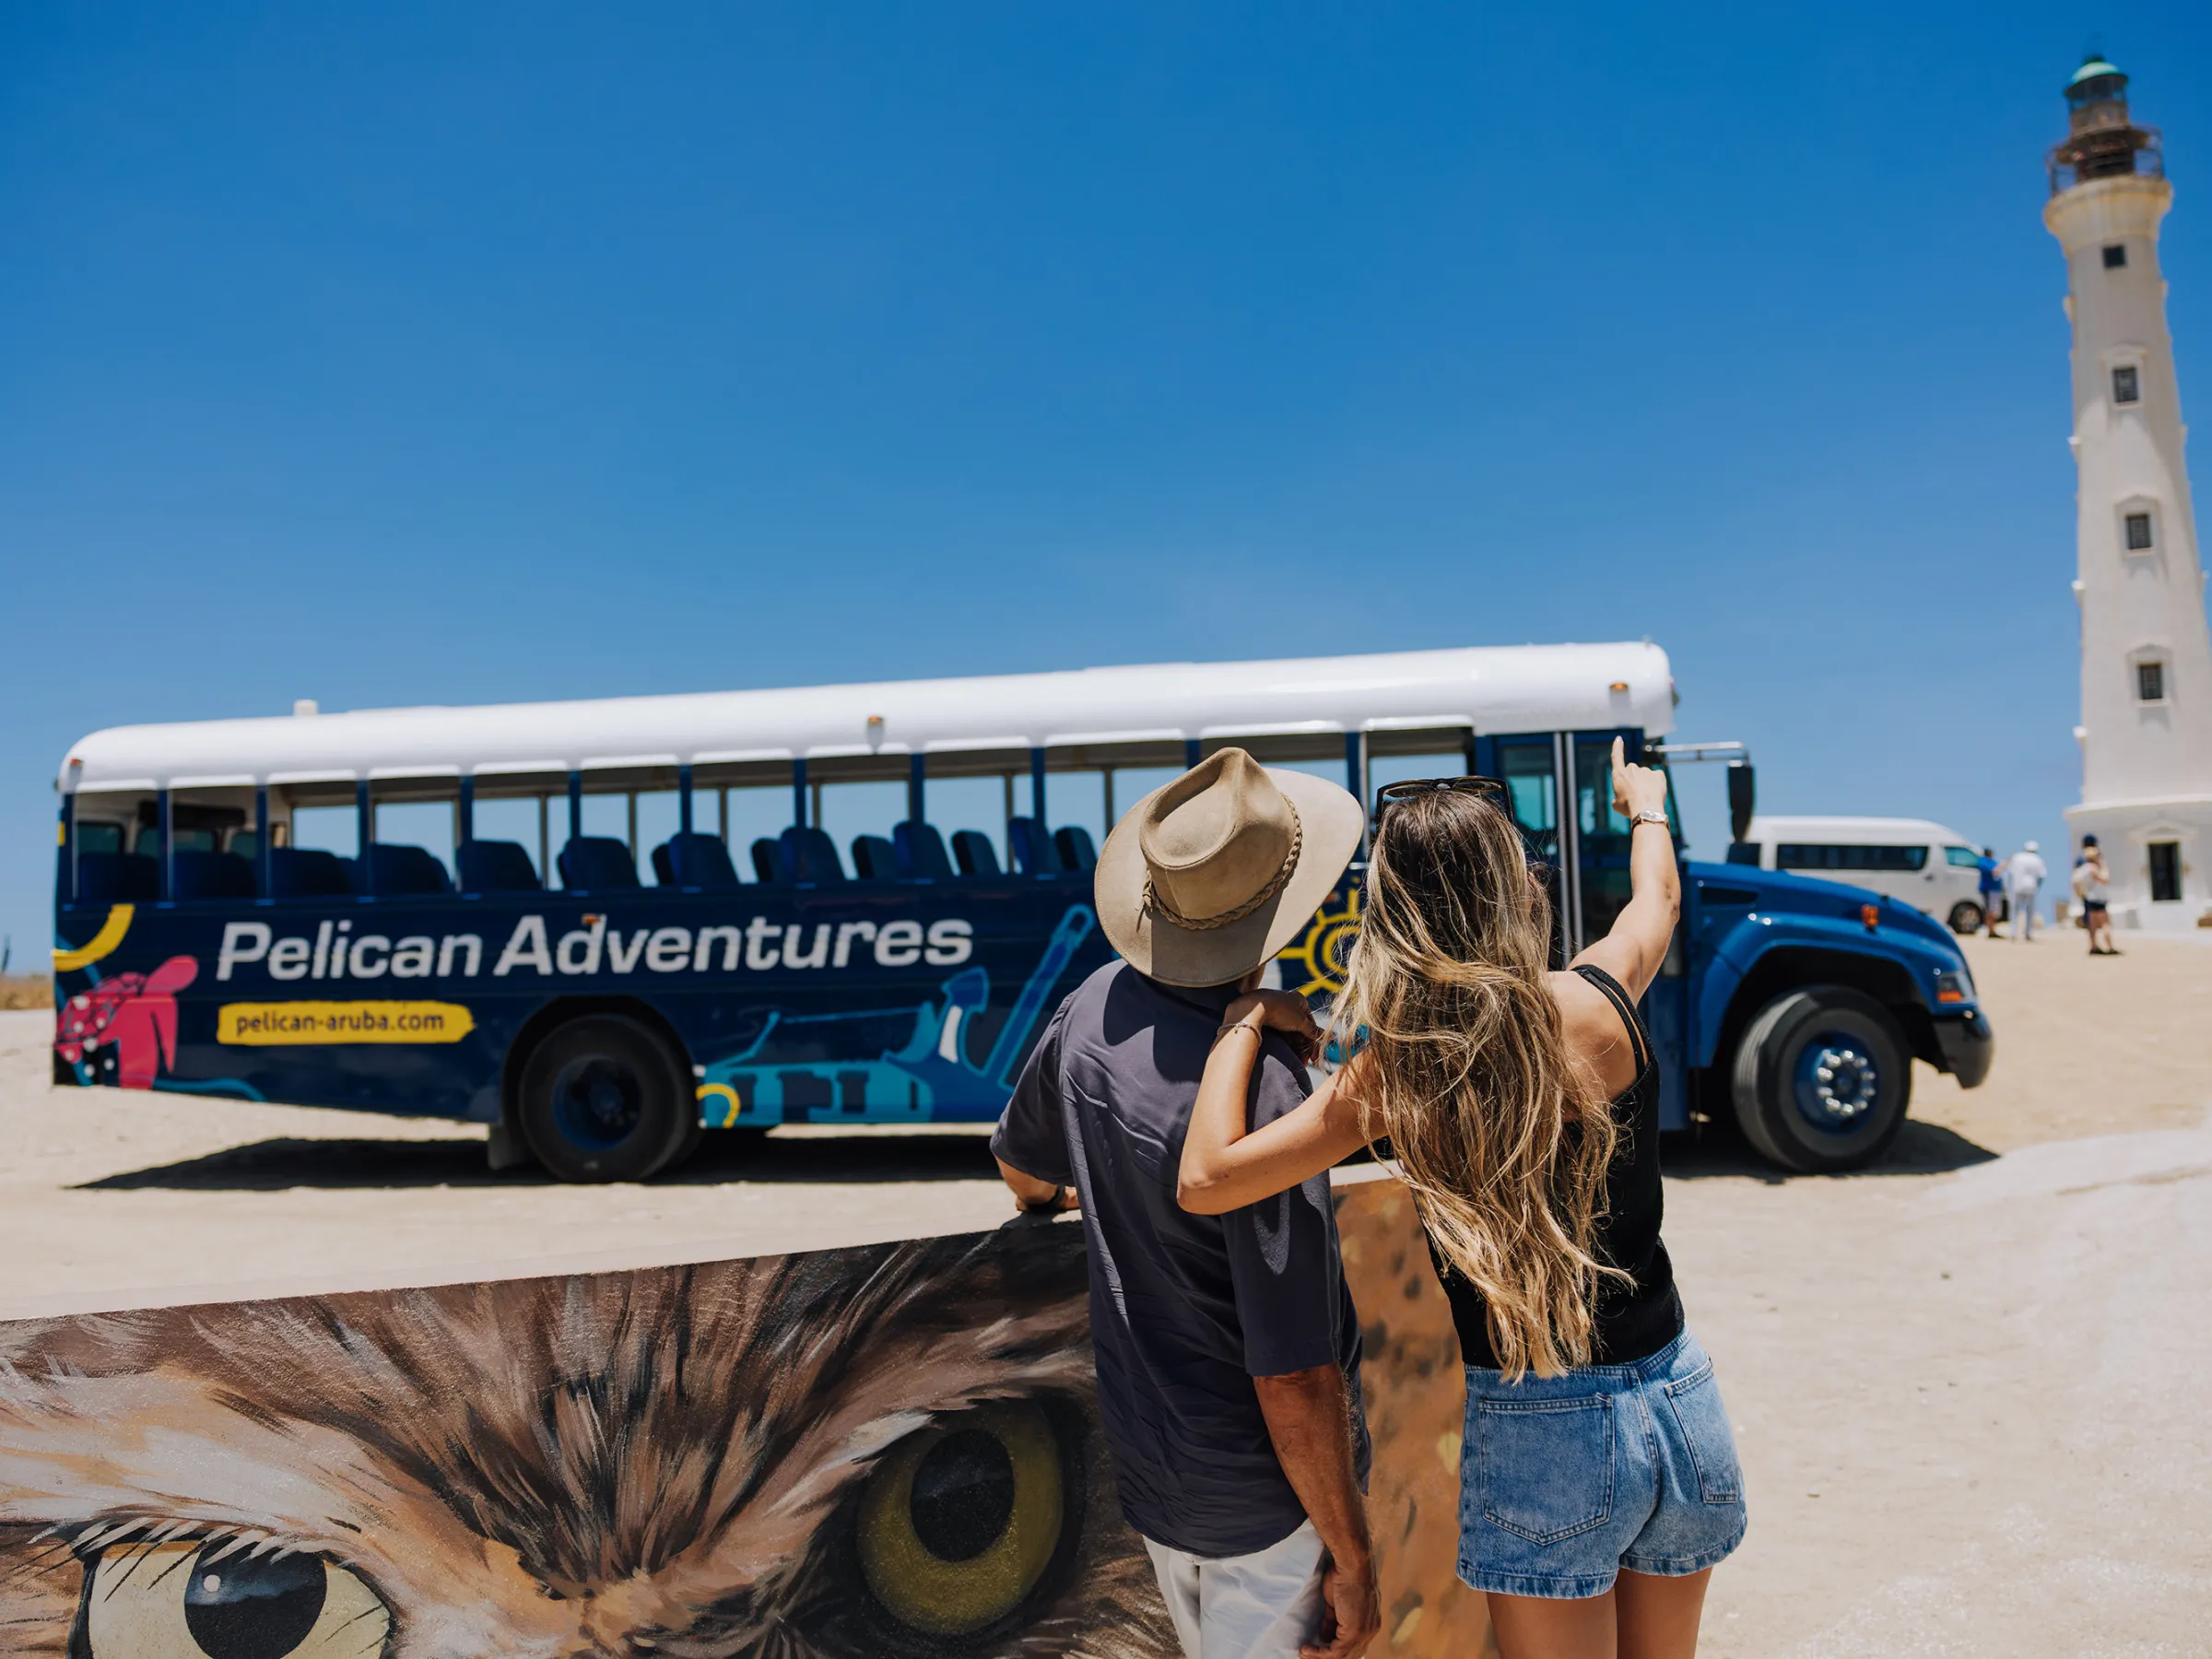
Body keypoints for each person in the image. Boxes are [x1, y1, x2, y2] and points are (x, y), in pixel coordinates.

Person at [1176, 742, 1743, 1659]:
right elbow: (1658, 903)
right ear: (1515, 885)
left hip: (1544, 1433)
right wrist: (1647, 806)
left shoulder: (1399, 1073)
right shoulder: (1599, 1001)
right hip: (1676, 1402)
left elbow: (1205, 1181)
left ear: (1392, 913)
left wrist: (1241, 1024)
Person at [992, 747, 1379, 1659]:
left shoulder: (1090, 1009)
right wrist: (1354, 1555)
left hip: (1156, 1476)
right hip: (1265, 1507)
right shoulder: (1273, 1097)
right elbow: (1292, 1374)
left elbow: (1023, 1175)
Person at [2073, 841, 2120, 955]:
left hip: (2089, 898)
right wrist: (2103, 867)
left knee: (2092, 925)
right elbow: (2104, 880)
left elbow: (2075, 881)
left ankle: (2094, 946)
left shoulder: (2083, 869)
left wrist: (2079, 893)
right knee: (2105, 924)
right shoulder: (2093, 868)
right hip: (2099, 899)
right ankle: (2110, 947)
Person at [2006, 840, 2047, 940]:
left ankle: (2013, 933)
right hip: (2031, 888)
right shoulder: (2038, 860)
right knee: (2030, 912)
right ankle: (2028, 933)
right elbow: (2042, 876)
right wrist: (2037, 887)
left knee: (2014, 911)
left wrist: (2009, 887)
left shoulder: (2017, 857)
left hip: (2017, 886)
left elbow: (2010, 873)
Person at [1976, 846, 2004, 938]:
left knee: (1994, 911)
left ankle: (1992, 929)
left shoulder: (1992, 862)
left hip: (1995, 890)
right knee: (1989, 911)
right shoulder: (1983, 862)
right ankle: (1990, 930)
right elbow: (1994, 871)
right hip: (1988, 889)